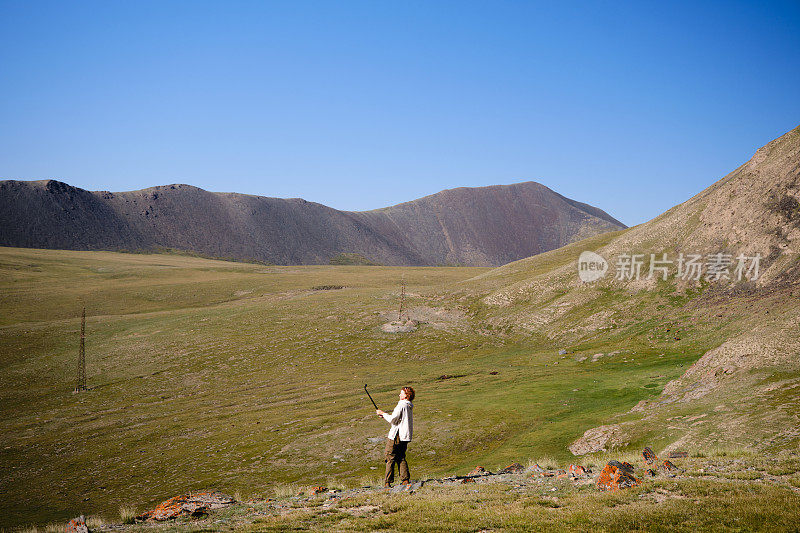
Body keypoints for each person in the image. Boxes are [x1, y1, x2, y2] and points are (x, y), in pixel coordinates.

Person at [376, 386, 414, 487]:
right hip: (404, 436)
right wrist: (384, 416)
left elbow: (393, 420)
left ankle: (387, 483)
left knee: (389, 456)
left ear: (406, 395)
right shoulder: (409, 406)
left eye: (401, 393)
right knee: (401, 457)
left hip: (396, 435)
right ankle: (405, 480)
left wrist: (383, 413)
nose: (399, 395)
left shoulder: (402, 404)